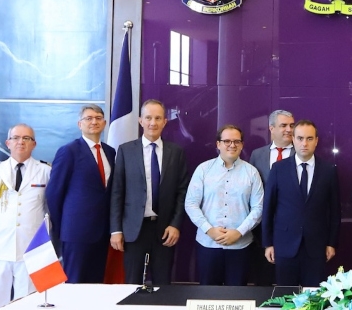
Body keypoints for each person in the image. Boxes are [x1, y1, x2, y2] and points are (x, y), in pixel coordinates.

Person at [110, 99, 190, 284]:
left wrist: (176, 224)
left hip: (165, 230)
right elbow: (117, 192)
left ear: (165, 122)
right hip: (133, 229)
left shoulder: (176, 152)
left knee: (163, 284)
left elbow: (182, 191)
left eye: (157, 118)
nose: (153, 123)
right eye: (148, 118)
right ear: (140, 120)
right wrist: (116, 230)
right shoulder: (125, 151)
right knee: (131, 284)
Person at [0, 123, 51, 310]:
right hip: (0, 245)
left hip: (31, 246)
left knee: (28, 302)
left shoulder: (46, 171)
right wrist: (2, 227)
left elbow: (49, 208)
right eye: (16, 138)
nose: (21, 142)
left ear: (34, 144)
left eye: (26, 138)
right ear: (8, 143)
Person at [262, 120, 340, 287]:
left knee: (313, 301)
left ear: (316, 141)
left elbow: (334, 211)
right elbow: (268, 208)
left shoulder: (328, 170)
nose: (304, 143)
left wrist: (331, 243)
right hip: (284, 245)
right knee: (286, 296)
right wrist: (268, 243)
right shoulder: (278, 169)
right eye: (300, 138)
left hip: (316, 247)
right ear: (293, 140)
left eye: (309, 138)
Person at [184, 125, 264, 285]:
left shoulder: (252, 172)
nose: (232, 145)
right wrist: (209, 229)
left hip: (240, 246)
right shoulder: (203, 170)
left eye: (236, 141)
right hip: (208, 244)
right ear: (218, 144)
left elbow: (259, 208)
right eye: (226, 141)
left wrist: (239, 232)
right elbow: (191, 203)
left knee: (238, 297)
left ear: (242, 145)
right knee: (207, 297)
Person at [45, 105, 116, 284]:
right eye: (89, 118)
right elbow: (54, 193)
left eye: (99, 118)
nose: (94, 122)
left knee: (96, 284)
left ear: (105, 123)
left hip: (102, 232)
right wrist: (63, 226)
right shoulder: (69, 151)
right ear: (80, 124)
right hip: (75, 232)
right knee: (74, 284)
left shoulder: (110, 152)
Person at [247, 109, 294, 285]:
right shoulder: (257, 154)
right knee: (263, 275)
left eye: (291, 125)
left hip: (291, 226)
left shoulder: (302, 154)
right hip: (262, 225)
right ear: (271, 128)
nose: (289, 129)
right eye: (283, 125)